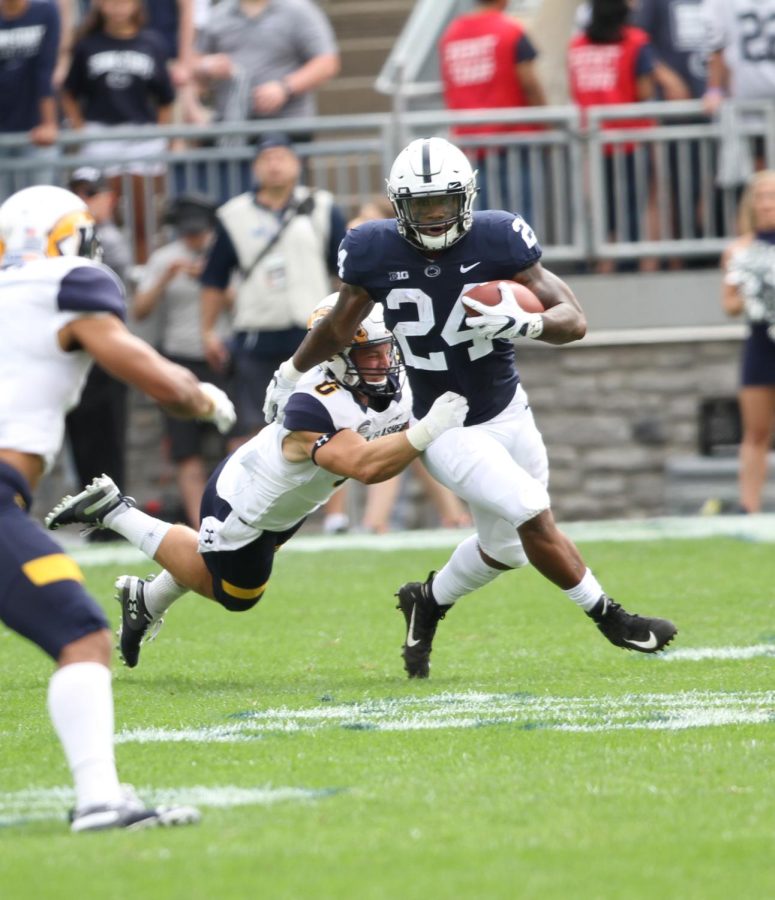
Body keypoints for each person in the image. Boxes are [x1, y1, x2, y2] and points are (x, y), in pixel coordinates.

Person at [262, 136, 678, 679]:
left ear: (467, 198)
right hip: (446, 422)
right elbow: (340, 324)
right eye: (420, 206)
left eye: (444, 204)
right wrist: (293, 370)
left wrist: (526, 323)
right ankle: (614, 619)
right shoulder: (371, 248)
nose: (434, 218)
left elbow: (573, 320)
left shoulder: (499, 237)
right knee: (531, 509)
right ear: (398, 205)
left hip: (509, 410)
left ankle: (427, 601)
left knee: (506, 549)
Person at [46, 298, 468, 670]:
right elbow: (364, 466)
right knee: (234, 594)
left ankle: (146, 599)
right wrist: (427, 430)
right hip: (246, 504)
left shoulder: (389, 384)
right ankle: (115, 511)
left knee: (223, 563)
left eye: (384, 351)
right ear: (337, 357)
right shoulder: (313, 403)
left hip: (292, 502)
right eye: (368, 354)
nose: (381, 362)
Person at [0, 184, 235, 829]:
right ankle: (101, 800)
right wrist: (202, 399)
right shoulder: (68, 283)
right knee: (81, 633)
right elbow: (152, 375)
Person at [201, 132, 346, 445]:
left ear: (297, 164)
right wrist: (208, 330)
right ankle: (240, 494)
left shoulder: (322, 207)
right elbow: (214, 278)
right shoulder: (233, 214)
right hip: (256, 334)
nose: (275, 165)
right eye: (267, 159)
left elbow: (345, 271)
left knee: (328, 424)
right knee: (250, 428)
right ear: (255, 168)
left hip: (312, 332)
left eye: (282, 157)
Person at [133, 192, 229, 526]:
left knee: (234, 443)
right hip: (179, 360)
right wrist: (165, 278)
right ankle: (200, 525)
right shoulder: (165, 258)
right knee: (186, 450)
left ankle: (235, 519)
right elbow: (140, 310)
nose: (193, 238)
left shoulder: (224, 254)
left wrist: (210, 279)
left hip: (221, 357)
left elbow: (243, 303)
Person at [61, 0, 176, 262]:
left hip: (142, 136)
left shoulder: (153, 43)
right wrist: (80, 128)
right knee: (101, 216)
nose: (117, 7)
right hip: (101, 134)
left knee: (144, 215)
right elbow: (68, 92)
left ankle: (142, 271)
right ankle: (103, 270)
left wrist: (164, 135)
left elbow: (166, 98)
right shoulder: (87, 44)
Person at [64, 167, 132, 538]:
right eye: (78, 194)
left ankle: (112, 523)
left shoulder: (109, 240)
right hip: (78, 354)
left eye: (91, 193)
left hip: (106, 352)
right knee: (83, 440)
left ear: (108, 199)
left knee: (108, 440)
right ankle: (94, 522)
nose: (84, 202)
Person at [567, 0, 659, 272]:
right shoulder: (635, 41)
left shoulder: (576, 46)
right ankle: (626, 264)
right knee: (630, 205)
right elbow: (644, 92)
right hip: (630, 140)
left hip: (591, 142)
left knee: (598, 207)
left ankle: (595, 263)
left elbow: (575, 89)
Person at [439, 0, 547, 219]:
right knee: (521, 218)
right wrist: (545, 120)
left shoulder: (450, 34)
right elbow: (529, 82)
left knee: (482, 218)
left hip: (472, 143)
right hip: (515, 140)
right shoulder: (510, 30)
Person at [192, 0, 340, 135]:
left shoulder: (299, 11)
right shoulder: (218, 14)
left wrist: (285, 88)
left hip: (286, 128)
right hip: (232, 130)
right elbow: (194, 64)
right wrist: (207, 65)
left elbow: (326, 63)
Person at [721, 170, 775, 512]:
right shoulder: (738, 249)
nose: (767, 204)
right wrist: (752, 295)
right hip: (760, 342)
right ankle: (749, 508)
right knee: (755, 430)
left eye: (772, 196)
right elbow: (729, 304)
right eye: (761, 197)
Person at [0, 0, 60, 197]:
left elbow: (45, 70)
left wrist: (49, 123)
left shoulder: (46, 11)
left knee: (40, 203)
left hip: (35, 128)